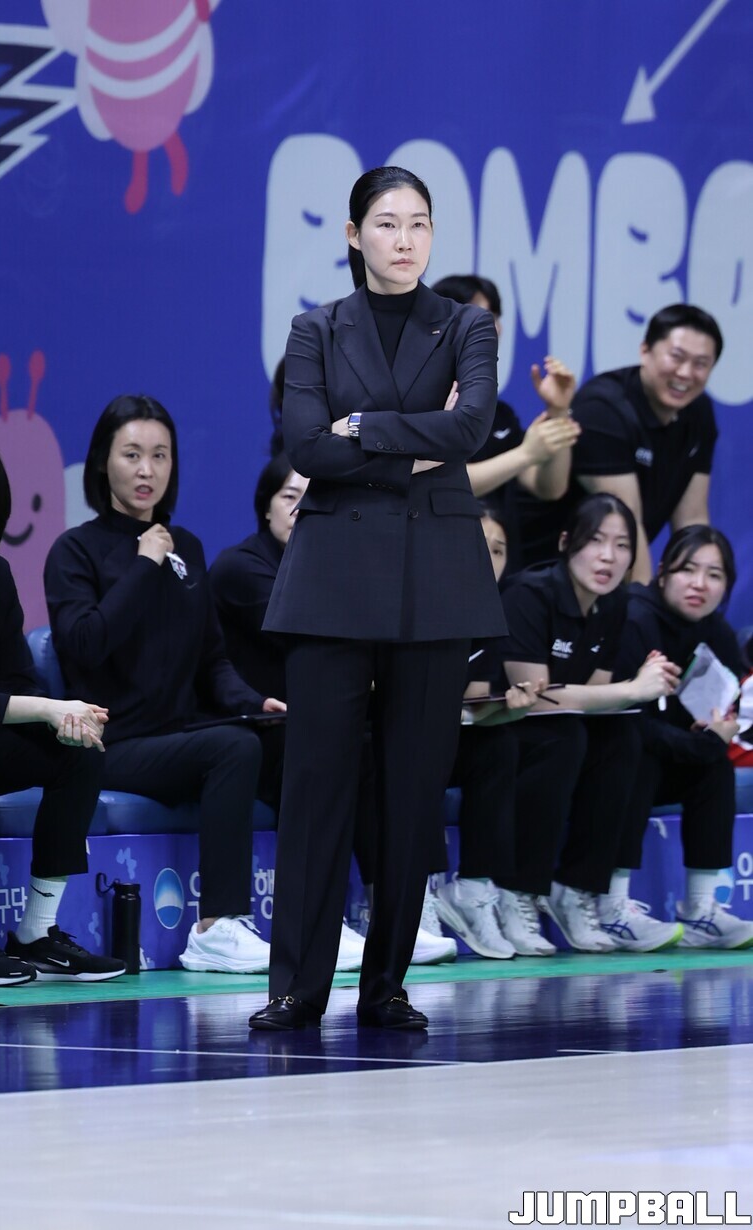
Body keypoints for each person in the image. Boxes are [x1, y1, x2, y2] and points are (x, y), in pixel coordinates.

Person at [248, 165, 505, 1032]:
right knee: (316, 787)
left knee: (412, 791)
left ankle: (387, 982)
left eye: (419, 223)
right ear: (354, 234)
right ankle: (296, 986)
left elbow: (471, 429)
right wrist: (416, 446)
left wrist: (364, 428)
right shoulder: (315, 328)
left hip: (438, 579)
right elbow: (307, 449)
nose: (405, 239)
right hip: (331, 578)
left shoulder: (466, 323)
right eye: (388, 223)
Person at [45, 395, 286, 975]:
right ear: (103, 461)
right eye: (132, 454)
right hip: (114, 743)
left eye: (160, 455)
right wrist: (145, 563)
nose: (147, 469)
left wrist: (256, 702)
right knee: (232, 748)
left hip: (180, 735)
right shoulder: (75, 551)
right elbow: (85, 644)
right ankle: (215, 928)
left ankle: (311, 917)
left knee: (294, 739)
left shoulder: (189, 549)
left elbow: (212, 661)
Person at [210, 454, 457, 967]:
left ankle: (396, 912)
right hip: (258, 726)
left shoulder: (339, 569)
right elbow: (303, 639)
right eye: (289, 497)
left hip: (317, 720)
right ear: (265, 507)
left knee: (398, 746)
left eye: (316, 497)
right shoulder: (242, 566)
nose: (303, 508)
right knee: (335, 752)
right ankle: (326, 919)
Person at [0, 439, 125, 985]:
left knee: (77, 748)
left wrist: (63, 719)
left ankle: (36, 933)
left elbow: (14, 677)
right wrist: (45, 705)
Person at [497, 493, 681, 954]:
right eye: (596, 540)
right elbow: (536, 699)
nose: (608, 556)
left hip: (561, 728)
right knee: (564, 736)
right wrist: (632, 689)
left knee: (622, 737)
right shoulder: (529, 595)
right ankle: (517, 890)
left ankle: (577, 889)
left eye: (622, 546)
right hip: (501, 725)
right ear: (565, 542)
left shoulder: (612, 605)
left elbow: (593, 696)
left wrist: (645, 683)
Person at [605, 525, 753, 949]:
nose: (699, 584)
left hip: (667, 752)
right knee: (637, 755)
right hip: (606, 764)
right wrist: (700, 741)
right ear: (663, 572)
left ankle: (702, 909)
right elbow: (629, 722)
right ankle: (612, 907)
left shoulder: (717, 633)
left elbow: (721, 711)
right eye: (688, 570)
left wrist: (715, 733)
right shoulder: (635, 618)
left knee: (716, 766)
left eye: (714, 575)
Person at [517, 303, 723, 578]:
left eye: (701, 364)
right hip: (540, 570)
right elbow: (627, 524)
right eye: (676, 357)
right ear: (645, 350)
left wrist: (696, 588)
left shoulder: (698, 412)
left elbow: (692, 520)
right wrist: (642, 604)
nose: (685, 373)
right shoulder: (603, 409)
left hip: (600, 576)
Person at [432, 503, 544, 959]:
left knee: (499, 744)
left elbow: (473, 702)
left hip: (445, 733)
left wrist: (509, 710)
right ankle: (416, 895)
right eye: (476, 545)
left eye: (498, 551)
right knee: (421, 750)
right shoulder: (410, 603)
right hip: (389, 741)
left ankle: (474, 889)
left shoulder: (490, 618)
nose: (488, 559)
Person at [431, 274, 580, 572]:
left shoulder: (499, 413)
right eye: (483, 318)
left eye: (496, 318)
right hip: (440, 564)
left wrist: (558, 411)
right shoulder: (421, 402)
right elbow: (443, 481)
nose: (496, 328)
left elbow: (549, 487)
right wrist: (525, 454)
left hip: (501, 573)